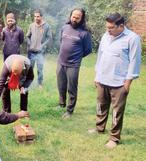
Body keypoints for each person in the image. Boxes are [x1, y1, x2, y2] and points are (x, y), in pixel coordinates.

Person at [88, 13, 141, 149]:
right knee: (101, 105)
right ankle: (99, 128)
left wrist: (128, 83)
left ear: (121, 26)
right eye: (107, 27)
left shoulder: (132, 38)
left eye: (111, 28)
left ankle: (114, 138)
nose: (108, 30)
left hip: (119, 82)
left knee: (117, 111)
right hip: (103, 78)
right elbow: (100, 56)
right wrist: (97, 76)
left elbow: (134, 61)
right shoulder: (106, 36)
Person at [56, 8, 92, 119]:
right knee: (61, 85)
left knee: (72, 88)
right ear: (70, 16)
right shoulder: (65, 27)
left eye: (77, 17)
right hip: (61, 62)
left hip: (73, 65)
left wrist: (77, 57)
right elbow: (61, 41)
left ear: (82, 19)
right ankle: (62, 104)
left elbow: (88, 50)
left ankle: (69, 111)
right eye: (73, 16)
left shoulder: (85, 33)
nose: (74, 19)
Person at [27, 9, 52, 88]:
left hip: (40, 52)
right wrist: (29, 43)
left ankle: (40, 84)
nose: (36, 18)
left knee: (40, 69)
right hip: (31, 51)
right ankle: (29, 83)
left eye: (38, 16)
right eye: (35, 16)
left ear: (41, 17)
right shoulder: (31, 25)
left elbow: (49, 38)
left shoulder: (47, 26)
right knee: (30, 68)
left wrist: (43, 45)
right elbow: (27, 36)